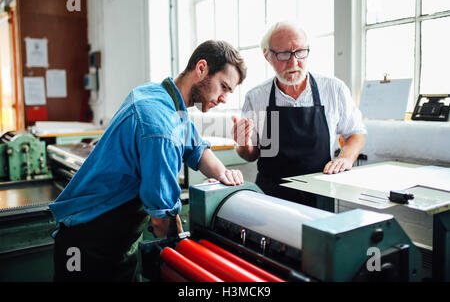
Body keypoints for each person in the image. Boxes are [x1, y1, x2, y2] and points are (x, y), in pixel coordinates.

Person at [49, 40, 247, 281]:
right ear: (202, 68)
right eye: (223, 87)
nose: (224, 98)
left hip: (117, 237)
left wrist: (224, 174)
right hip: (91, 241)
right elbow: (162, 218)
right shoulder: (159, 125)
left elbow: (196, 148)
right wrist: (186, 257)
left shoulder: (163, 97)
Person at [232, 21, 366, 206]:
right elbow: (251, 154)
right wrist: (243, 143)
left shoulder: (334, 89)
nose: (293, 62)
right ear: (267, 55)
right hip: (270, 197)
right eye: (284, 54)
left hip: (319, 195)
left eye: (300, 52)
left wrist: (345, 158)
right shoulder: (257, 97)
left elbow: (355, 132)